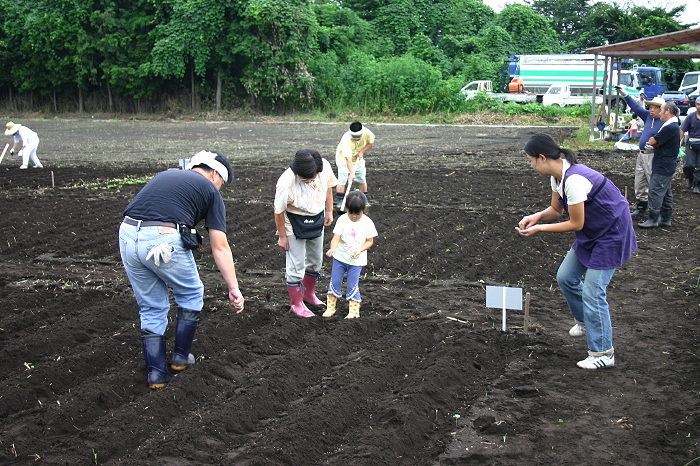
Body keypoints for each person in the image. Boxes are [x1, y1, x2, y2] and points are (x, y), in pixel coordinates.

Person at [119, 150, 245, 389]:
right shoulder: (209, 190)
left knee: (151, 305)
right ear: (215, 174)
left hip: (127, 234)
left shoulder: (166, 175)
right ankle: (180, 358)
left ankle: (156, 374)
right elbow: (219, 246)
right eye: (222, 184)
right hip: (162, 238)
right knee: (190, 293)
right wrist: (233, 288)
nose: (220, 189)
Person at [517, 133, 637, 370]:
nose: (530, 165)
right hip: (594, 231)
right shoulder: (558, 176)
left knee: (593, 291)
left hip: (611, 234)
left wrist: (540, 228)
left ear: (542, 158)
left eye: (531, 160)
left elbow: (576, 224)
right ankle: (585, 320)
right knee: (566, 277)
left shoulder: (574, 180)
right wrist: (536, 216)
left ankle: (603, 353)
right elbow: (555, 209)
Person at [275, 148, 337, 317]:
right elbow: (279, 211)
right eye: (307, 178)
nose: (312, 180)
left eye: (314, 176)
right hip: (294, 222)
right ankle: (296, 303)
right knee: (296, 266)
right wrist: (282, 236)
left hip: (316, 218)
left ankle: (308, 294)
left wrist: (329, 211)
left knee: (315, 261)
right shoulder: (286, 183)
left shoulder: (323, 167)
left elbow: (329, 187)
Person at [322, 191, 377, 319]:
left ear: (364, 209)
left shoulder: (367, 223)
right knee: (335, 281)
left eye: (357, 213)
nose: (353, 216)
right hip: (340, 258)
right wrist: (332, 249)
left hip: (356, 262)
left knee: (352, 284)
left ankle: (353, 311)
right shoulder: (342, 220)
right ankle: (330, 308)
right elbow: (336, 238)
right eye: (350, 212)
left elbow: (370, 241)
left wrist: (359, 249)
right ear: (346, 208)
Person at [615, 87, 664, 220]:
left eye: (655, 108)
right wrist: (625, 95)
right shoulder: (648, 116)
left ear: (662, 109)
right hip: (641, 154)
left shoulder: (664, 122)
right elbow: (636, 107)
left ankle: (657, 211)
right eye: (651, 107)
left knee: (652, 182)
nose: (651, 110)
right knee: (640, 181)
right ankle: (641, 207)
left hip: (653, 155)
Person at [639, 102, 681, 227]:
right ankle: (665, 218)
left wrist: (653, 142)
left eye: (662, 110)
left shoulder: (670, 127)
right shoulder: (673, 125)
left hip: (663, 164)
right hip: (667, 163)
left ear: (668, 111)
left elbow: (653, 140)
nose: (660, 113)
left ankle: (653, 219)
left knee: (655, 190)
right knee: (666, 191)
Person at [335, 121, 375, 208]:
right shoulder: (346, 139)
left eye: (358, 137)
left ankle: (364, 200)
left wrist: (362, 151)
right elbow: (348, 159)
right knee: (343, 178)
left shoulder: (367, 133)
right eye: (354, 137)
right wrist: (352, 173)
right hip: (343, 159)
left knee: (361, 178)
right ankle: (340, 201)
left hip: (358, 157)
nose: (356, 139)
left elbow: (370, 143)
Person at [680, 99, 700, 193]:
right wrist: (677, 143)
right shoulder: (690, 117)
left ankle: (697, 183)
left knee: (699, 166)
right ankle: (689, 178)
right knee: (689, 165)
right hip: (691, 144)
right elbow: (682, 130)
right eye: (698, 104)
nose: (699, 106)